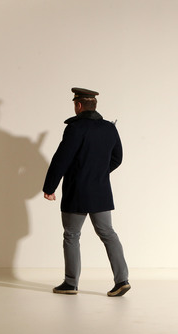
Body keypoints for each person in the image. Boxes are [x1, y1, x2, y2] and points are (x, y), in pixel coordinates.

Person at [42, 87, 130, 297]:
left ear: (78, 105)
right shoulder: (109, 128)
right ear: (94, 105)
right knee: (108, 234)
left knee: (72, 235)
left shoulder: (75, 128)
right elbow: (117, 158)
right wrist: (98, 172)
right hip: (101, 191)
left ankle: (71, 284)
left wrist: (49, 187)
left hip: (77, 191)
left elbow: (61, 159)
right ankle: (122, 280)